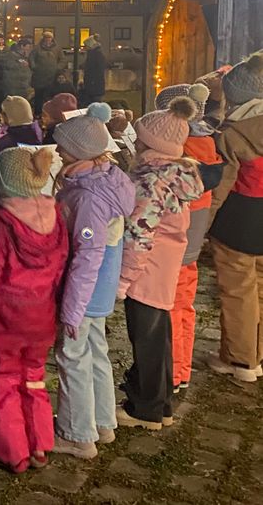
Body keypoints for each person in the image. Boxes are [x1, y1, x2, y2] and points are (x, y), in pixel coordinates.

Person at [0, 146, 69, 475]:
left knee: (0, 382)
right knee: (33, 378)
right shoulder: (56, 216)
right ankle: (40, 445)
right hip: (41, 316)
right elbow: (61, 267)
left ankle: (12, 453)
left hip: (3, 321)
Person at [51, 103, 137, 459]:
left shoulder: (88, 197)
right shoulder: (107, 176)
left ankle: (77, 434)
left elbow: (88, 255)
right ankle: (102, 422)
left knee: (72, 354)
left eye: (62, 146)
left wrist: (71, 309)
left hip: (86, 290)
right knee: (96, 349)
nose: (57, 150)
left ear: (79, 151)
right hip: (100, 289)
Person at [116, 97, 202, 430]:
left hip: (146, 270)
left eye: (139, 138)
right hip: (164, 266)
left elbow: (139, 235)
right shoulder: (175, 175)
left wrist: (124, 279)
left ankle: (145, 408)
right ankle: (161, 402)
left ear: (151, 144)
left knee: (146, 339)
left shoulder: (150, 181)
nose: (135, 143)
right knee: (159, 336)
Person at [154, 83, 222, 392]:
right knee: (185, 306)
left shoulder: (182, 154)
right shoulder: (207, 146)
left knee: (170, 307)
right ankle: (182, 369)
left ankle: (171, 373)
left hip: (175, 248)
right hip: (191, 246)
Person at [206, 53, 263, 383]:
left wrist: (202, 227)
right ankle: (257, 353)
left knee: (238, 290)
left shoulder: (233, 134)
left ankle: (240, 360)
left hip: (240, 219)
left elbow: (220, 189)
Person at [0, 95, 42, 209]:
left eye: (3, 112)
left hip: (7, 199)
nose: (0, 115)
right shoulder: (35, 133)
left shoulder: (9, 142)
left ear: (10, 117)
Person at [30, 31, 67, 115]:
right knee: (38, 97)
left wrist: (57, 68)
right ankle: (38, 114)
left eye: (49, 38)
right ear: (43, 38)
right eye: (46, 38)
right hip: (39, 77)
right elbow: (31, 58)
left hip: (52, 77)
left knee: (50, 97)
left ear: (52, 39)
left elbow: (63, 60)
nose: (48, 40)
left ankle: (49, 114)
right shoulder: (37, 48)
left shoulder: (57, 48)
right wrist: (35, 67)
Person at [0, 37, 33, 102]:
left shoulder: (24, 57)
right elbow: (7, 69)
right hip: (13, 89)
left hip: (23, 88)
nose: (29, 49)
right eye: (28, 47)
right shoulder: (10, 56)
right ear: (22, 46)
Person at [81, 35, 107, 106]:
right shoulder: (95, 53)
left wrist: (91, 81)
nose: (85, 48)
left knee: (95, 104)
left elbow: (97, 70)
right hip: (95, 85)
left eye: (86, 46)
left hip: (95, 86)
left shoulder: (96, 54)